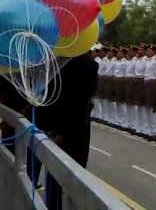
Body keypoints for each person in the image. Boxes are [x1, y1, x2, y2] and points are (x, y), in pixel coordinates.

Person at [37, 53, 99, 210]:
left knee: (58, 177)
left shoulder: (62, 64)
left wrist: (58, 131)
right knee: (73, 177)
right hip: (77, 128)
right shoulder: (89, 64)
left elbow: (65, 100)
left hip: (64, 129)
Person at [143, 44, 156, 140]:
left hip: (153, 85)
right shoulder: (148, 61)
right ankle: (151, 131)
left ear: (154, 52)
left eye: (149, 51)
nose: (147, 52)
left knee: (153, 110)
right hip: (147, 84)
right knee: (148, 109)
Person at [133, 44, 147, 136]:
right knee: (138, 106)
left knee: (144, 106)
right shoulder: (136, 60)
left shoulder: (146, 60)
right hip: (137, 81)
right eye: (138, 49)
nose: (139, 51)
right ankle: (139, 128)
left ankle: (145, 129)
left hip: (143, 81)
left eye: (141, 50)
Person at [113, 48, 128, 128]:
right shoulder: (117, 62)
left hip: (122, 82)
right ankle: (118, 121)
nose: (118, 54)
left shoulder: (125, 62)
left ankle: (123, 121)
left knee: (122, 103)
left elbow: (126, 74)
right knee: (117, 102)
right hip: (116, 81)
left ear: (124, 54)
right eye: (118, 52)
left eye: (120, 53)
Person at [125, 46, 138, 132]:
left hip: (134, 83)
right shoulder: (130, 61)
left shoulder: (136, 61)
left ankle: (134, 125)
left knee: (134, 105)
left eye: (130, 51)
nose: (128, 53)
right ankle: (130, 124)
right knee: (128, 104)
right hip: (128, 82)